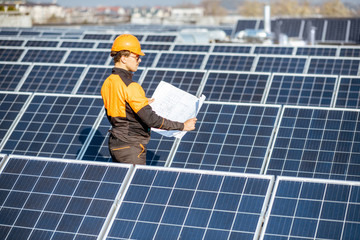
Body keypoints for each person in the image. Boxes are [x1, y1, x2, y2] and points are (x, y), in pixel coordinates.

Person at [101, 34, 197, 165]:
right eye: (136, 56)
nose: (139, 60)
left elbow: (120, 106)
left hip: (116, 143)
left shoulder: (108, 82)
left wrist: (141, 102)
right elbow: (151, 120)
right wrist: (182, 126)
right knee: (134, 184)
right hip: (131, 147)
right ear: (123, 58)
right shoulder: (131, 86)